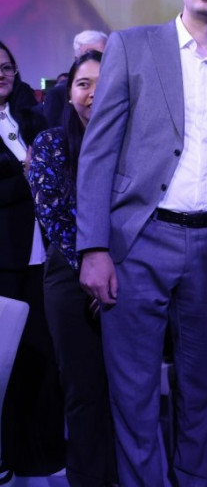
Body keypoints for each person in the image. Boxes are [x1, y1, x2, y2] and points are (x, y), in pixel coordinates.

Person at [76, 0, 207, 485]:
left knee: (201, 387)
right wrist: (93, 246)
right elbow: (99, 154)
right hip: (137, 243)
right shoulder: (132, 47)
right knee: (133, 390)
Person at [28, 50, 118, 485]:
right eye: (84, 84)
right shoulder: (50, 144)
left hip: (125, 274)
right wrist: (93, 271)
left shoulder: (132, 142)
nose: (93, 93)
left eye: (103, 83)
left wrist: (116, 272)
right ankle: (87, 477)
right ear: (69, 93)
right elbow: (55, 218)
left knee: (125, 386)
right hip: (69, 275)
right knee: (83, 389)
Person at [0, 40, 64, 482]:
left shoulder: (30, 116)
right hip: (4, 260)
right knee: (7, 361)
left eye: (6, 67)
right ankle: (8, 451)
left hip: (42, 257)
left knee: (41, 355)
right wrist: (27, 176)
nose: (1, 75)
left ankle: (41, 450)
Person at [44, 30, 108, 129]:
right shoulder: (57, 94)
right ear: (76, 60)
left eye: (101, 56)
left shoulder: (122, 90)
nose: (95, 61)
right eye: (89, 55)